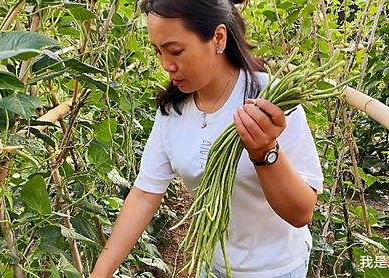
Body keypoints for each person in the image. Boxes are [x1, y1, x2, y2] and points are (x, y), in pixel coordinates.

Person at [90, 0, 323, 277]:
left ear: (218, 38)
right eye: (158, 52)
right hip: (211, 266)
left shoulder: (269, 101)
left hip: (276, 268)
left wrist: (264, 152)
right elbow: (144, 194)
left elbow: (301, 213)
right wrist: (99, 273)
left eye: (175, 51)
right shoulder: (173, 110)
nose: (167, 65)